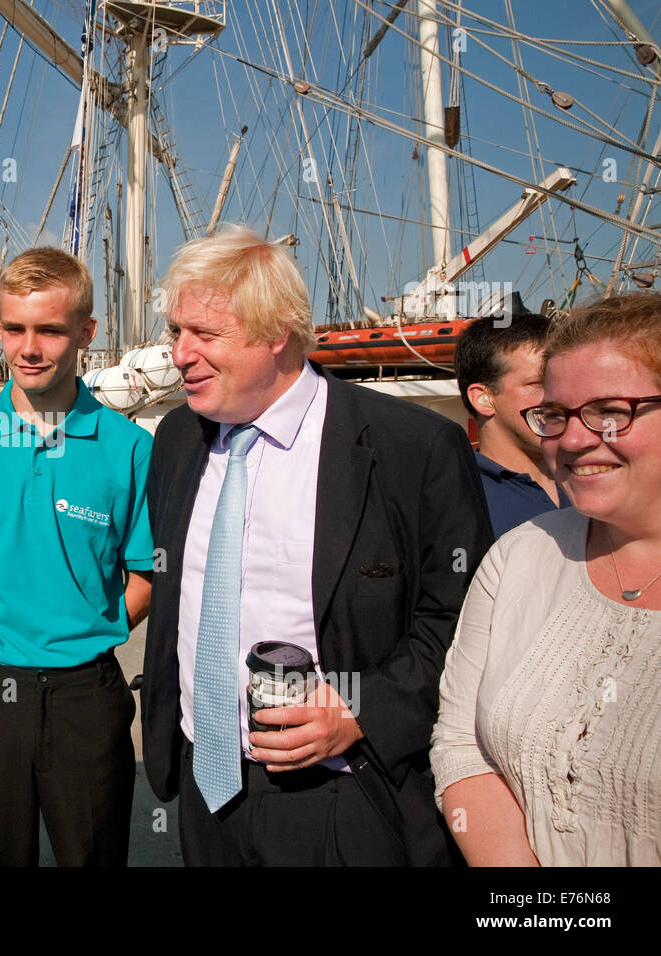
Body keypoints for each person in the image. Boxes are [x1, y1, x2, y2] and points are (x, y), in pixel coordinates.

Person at [141, 225, 493, 866]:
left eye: (205, 334)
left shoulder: (409, 449)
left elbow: (464, 623)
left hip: (345, 794)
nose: (179, 354)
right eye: (174, 332)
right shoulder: (175, 441)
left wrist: (360, 709)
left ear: (276, 333)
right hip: (205, 786)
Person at [0, 247, 154, 867]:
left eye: (50, 330)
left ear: (86, 332)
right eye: (15, 328)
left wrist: (82, 631)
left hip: (87, 695)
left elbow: (147, 575)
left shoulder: (130, 449)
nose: (29, 348)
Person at [432, 292, 661, 866]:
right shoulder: (519, 557)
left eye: (612, 410)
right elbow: (464, 746)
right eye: (555, 414)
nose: (575, 439)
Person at [455, 310, 568, 535]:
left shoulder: (592, 480)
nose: (561, 398)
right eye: (540, 383)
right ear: (484, 399)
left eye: (563, 383)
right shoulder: (458, 499)